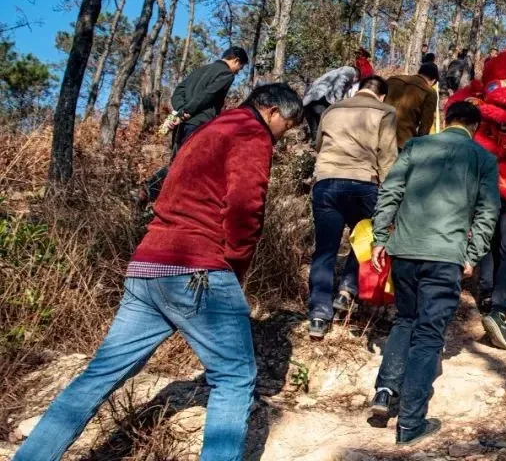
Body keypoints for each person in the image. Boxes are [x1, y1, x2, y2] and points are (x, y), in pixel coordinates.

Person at [14, 84, 302, 461]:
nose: (285, 133)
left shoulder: (208, 130)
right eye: (289, 124)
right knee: (233, 377)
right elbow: (246, 207)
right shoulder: (251, 133)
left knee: (102, 373)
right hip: (197, 268)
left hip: (148, 265)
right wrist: (235, 266)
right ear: (271, 111)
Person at [369, 101, 500, 445]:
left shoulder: (416, 146)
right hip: (445, 256)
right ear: (474, 127)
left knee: (405, 320)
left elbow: (391, 191)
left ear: (450, 121)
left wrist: (381, 237)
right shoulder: (483, 159)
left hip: (406, 250)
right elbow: (487, 213)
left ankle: (384, 393)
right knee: (429, 335)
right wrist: (473, 255)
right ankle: (410, 424)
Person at [307, 75, 398, 339]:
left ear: (359, 90)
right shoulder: (385, 111)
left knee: (325, 250)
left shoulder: (333, 109)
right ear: (382, 96)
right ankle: (347, 290)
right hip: (364, 183)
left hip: (326, 181)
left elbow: (319, 144)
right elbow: (388, 156)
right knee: (366, 241)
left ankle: (318, 315)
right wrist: (389, 195)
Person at [139, 47, 248, 203]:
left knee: (179, 162)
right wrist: (187, 111)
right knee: (186, 165)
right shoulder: (226, 74)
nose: (238, 72)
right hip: (199, 123)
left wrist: (181, 110)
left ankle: (157, 199)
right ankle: (148, 192)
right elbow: (208, 95)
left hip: (181, 123)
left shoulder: (201, 70)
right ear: (236, 60)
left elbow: (178, 91)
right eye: (240, 67)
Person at [386, 63, 440, 150]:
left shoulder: (393, 80)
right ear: (433, 81)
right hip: (402, 140)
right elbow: (426, 123)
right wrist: (419, 147)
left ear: (419, 72)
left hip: (379, 133)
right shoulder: (430, 92)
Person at [303, 65, 361, 143]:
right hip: (320, 101)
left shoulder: (332, 73)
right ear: (356, 76)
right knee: (327, 128)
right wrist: (338, 103)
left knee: (315, 132)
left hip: (308, 102)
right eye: (356, 80)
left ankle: (315, 148)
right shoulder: (350, 70)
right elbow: (340, 83)